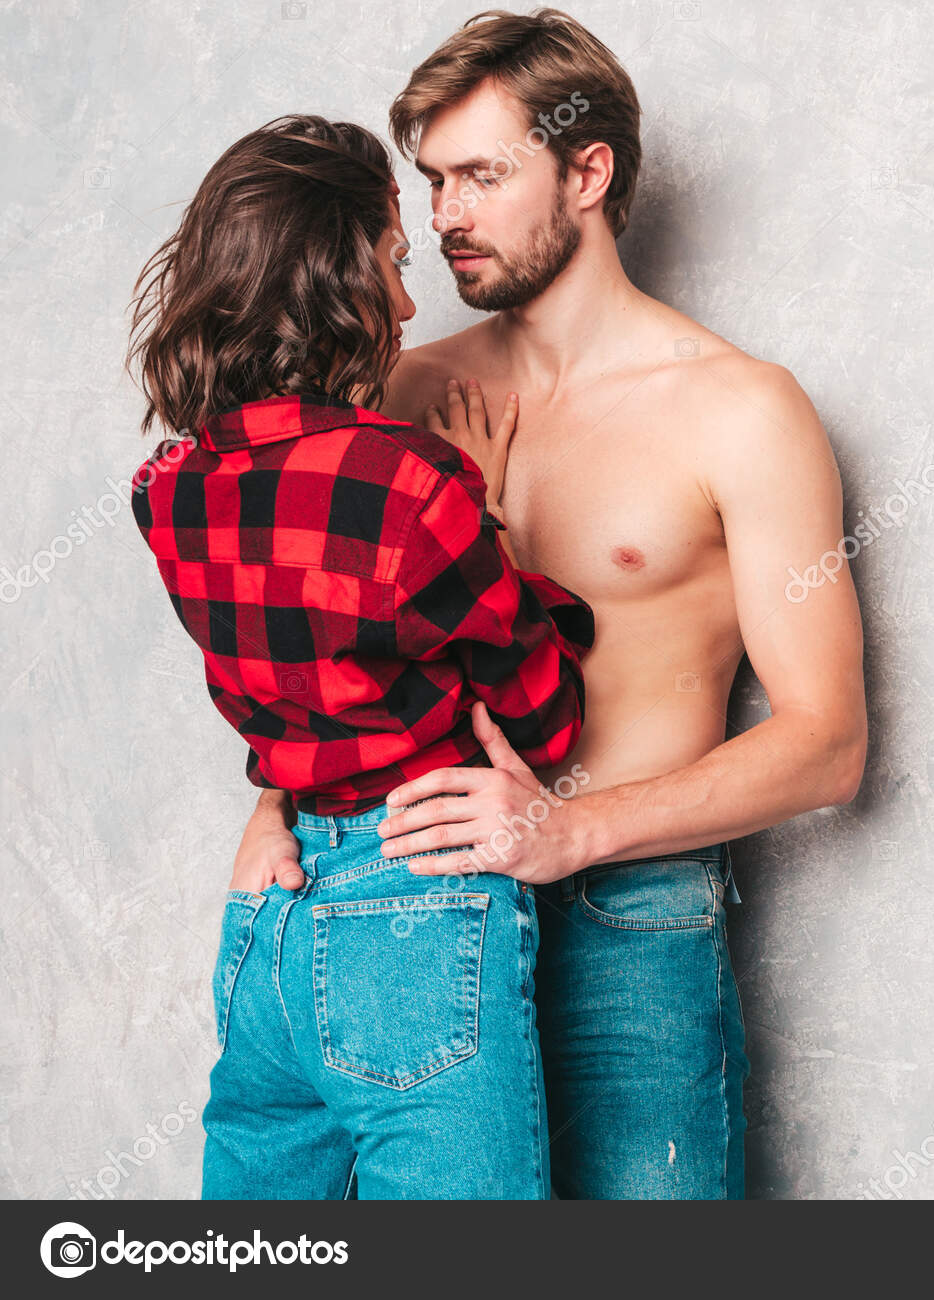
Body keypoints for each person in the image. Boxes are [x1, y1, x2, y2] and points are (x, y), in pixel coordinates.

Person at [233, 8, 869, 1200]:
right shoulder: (405, 389)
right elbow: (315, 633)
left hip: (628, 917)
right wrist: (277, 809)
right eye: (433, 180)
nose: (445, 218)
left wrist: (571, 831)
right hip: (409, 911)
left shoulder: (738, 409)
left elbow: (825, 742)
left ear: (589, 171)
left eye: (481, 174)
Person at [127, 114, 592, 1199]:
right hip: (413, 913)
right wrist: (490, 519)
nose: (406, 299)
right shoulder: (415, 482)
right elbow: (546, 722)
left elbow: (297, 673)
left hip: (267, 918)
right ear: (337, 278)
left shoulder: (167, 491)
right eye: (390, 260)